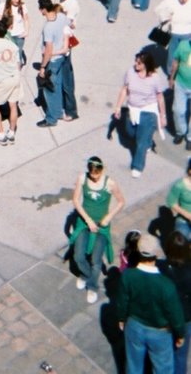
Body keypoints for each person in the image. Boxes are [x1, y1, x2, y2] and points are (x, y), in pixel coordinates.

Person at [117, 232, 185, 374]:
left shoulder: (128, 275)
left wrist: (121, 319)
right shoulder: (166, 285)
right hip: (159, 332)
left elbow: (123, 300)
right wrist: (180, 334)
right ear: (155, 255)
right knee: (163, 369)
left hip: (134, 326)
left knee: (133, 366)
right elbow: (175, 314)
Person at [69, 156, 125, 304]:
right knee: (78, 256)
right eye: (92, 174)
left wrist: (108, 218)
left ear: (102, 170)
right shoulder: (82, 178)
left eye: (97, 174)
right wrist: (87, 220)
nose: (94, 177)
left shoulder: (110, 183)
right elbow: (75, 200)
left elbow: (121, 201)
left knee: (96, 259)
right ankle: (86, 276)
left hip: (101, 224)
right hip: (84, 222)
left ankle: (92, 287)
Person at [113, 49, 168, 177]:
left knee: (141, 142)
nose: (136, 65)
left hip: (148, 111)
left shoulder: (155, 78)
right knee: (131, 132)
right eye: (136, 62)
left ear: (146, 65)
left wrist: (162, 116)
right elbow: (124, 90)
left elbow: (160, 97)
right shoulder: (130, 72)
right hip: (133, 109)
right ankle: (148, 140)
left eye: (139, 63)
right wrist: (118, 107)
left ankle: (137, 166)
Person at [36, 0, 75, 128]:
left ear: (43, 10)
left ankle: (51, 118)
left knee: (50, 89)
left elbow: (48, 50)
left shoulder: (48, 27)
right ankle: (59, 112)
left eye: (40, 8)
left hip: (52, 60)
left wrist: (42, 67)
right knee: (57, 85)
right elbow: (70, 26)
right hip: (62, 58)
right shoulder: (61, 17)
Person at [161, 232, 191, 374]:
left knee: (164, 353)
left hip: (166, 317)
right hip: (185, 318)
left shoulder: (161, 268)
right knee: (180, 355)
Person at [157, 0, 191, 74]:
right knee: (172, 54)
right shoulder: (171, 0)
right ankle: (170, 73)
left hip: (187, 33)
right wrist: (167, 17)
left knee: (185, 54)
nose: (184, 0)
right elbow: (159, 10)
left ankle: (182, 72)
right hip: (174, 32)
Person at [167, 159, 191, 239]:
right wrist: (188, 215)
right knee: (181, 239)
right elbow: (171, 202)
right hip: (184, 220)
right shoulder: (180, 185)